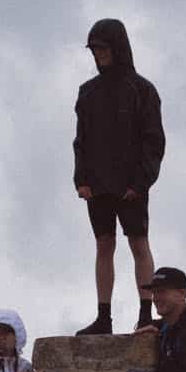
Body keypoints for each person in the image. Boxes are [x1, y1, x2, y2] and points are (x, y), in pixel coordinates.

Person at [73, 18, 164, 335]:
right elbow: (80, 140)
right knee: (104, 244)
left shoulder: (143, 91)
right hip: (97, 185)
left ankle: (145, 313)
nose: (98, 55)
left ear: (117, 48)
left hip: (131, 186)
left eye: (103, 48)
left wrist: (140, 183)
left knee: (138, 243)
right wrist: (81, 179)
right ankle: (104, 317)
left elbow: (154, 142)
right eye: (94, 50)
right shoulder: (88, 93)